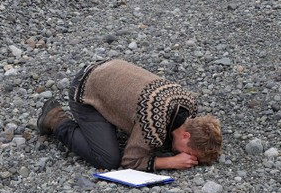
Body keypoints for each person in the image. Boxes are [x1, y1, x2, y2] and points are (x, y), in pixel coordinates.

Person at [37, 58, 222, 172]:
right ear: (186, 135)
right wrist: (169, 161)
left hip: (108, 67)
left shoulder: (188, 104)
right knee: (108, 159)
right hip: (86, 89)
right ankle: (55, 118)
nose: (186, 156)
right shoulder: (154, 121)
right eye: (188, 152)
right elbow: (130, 161)